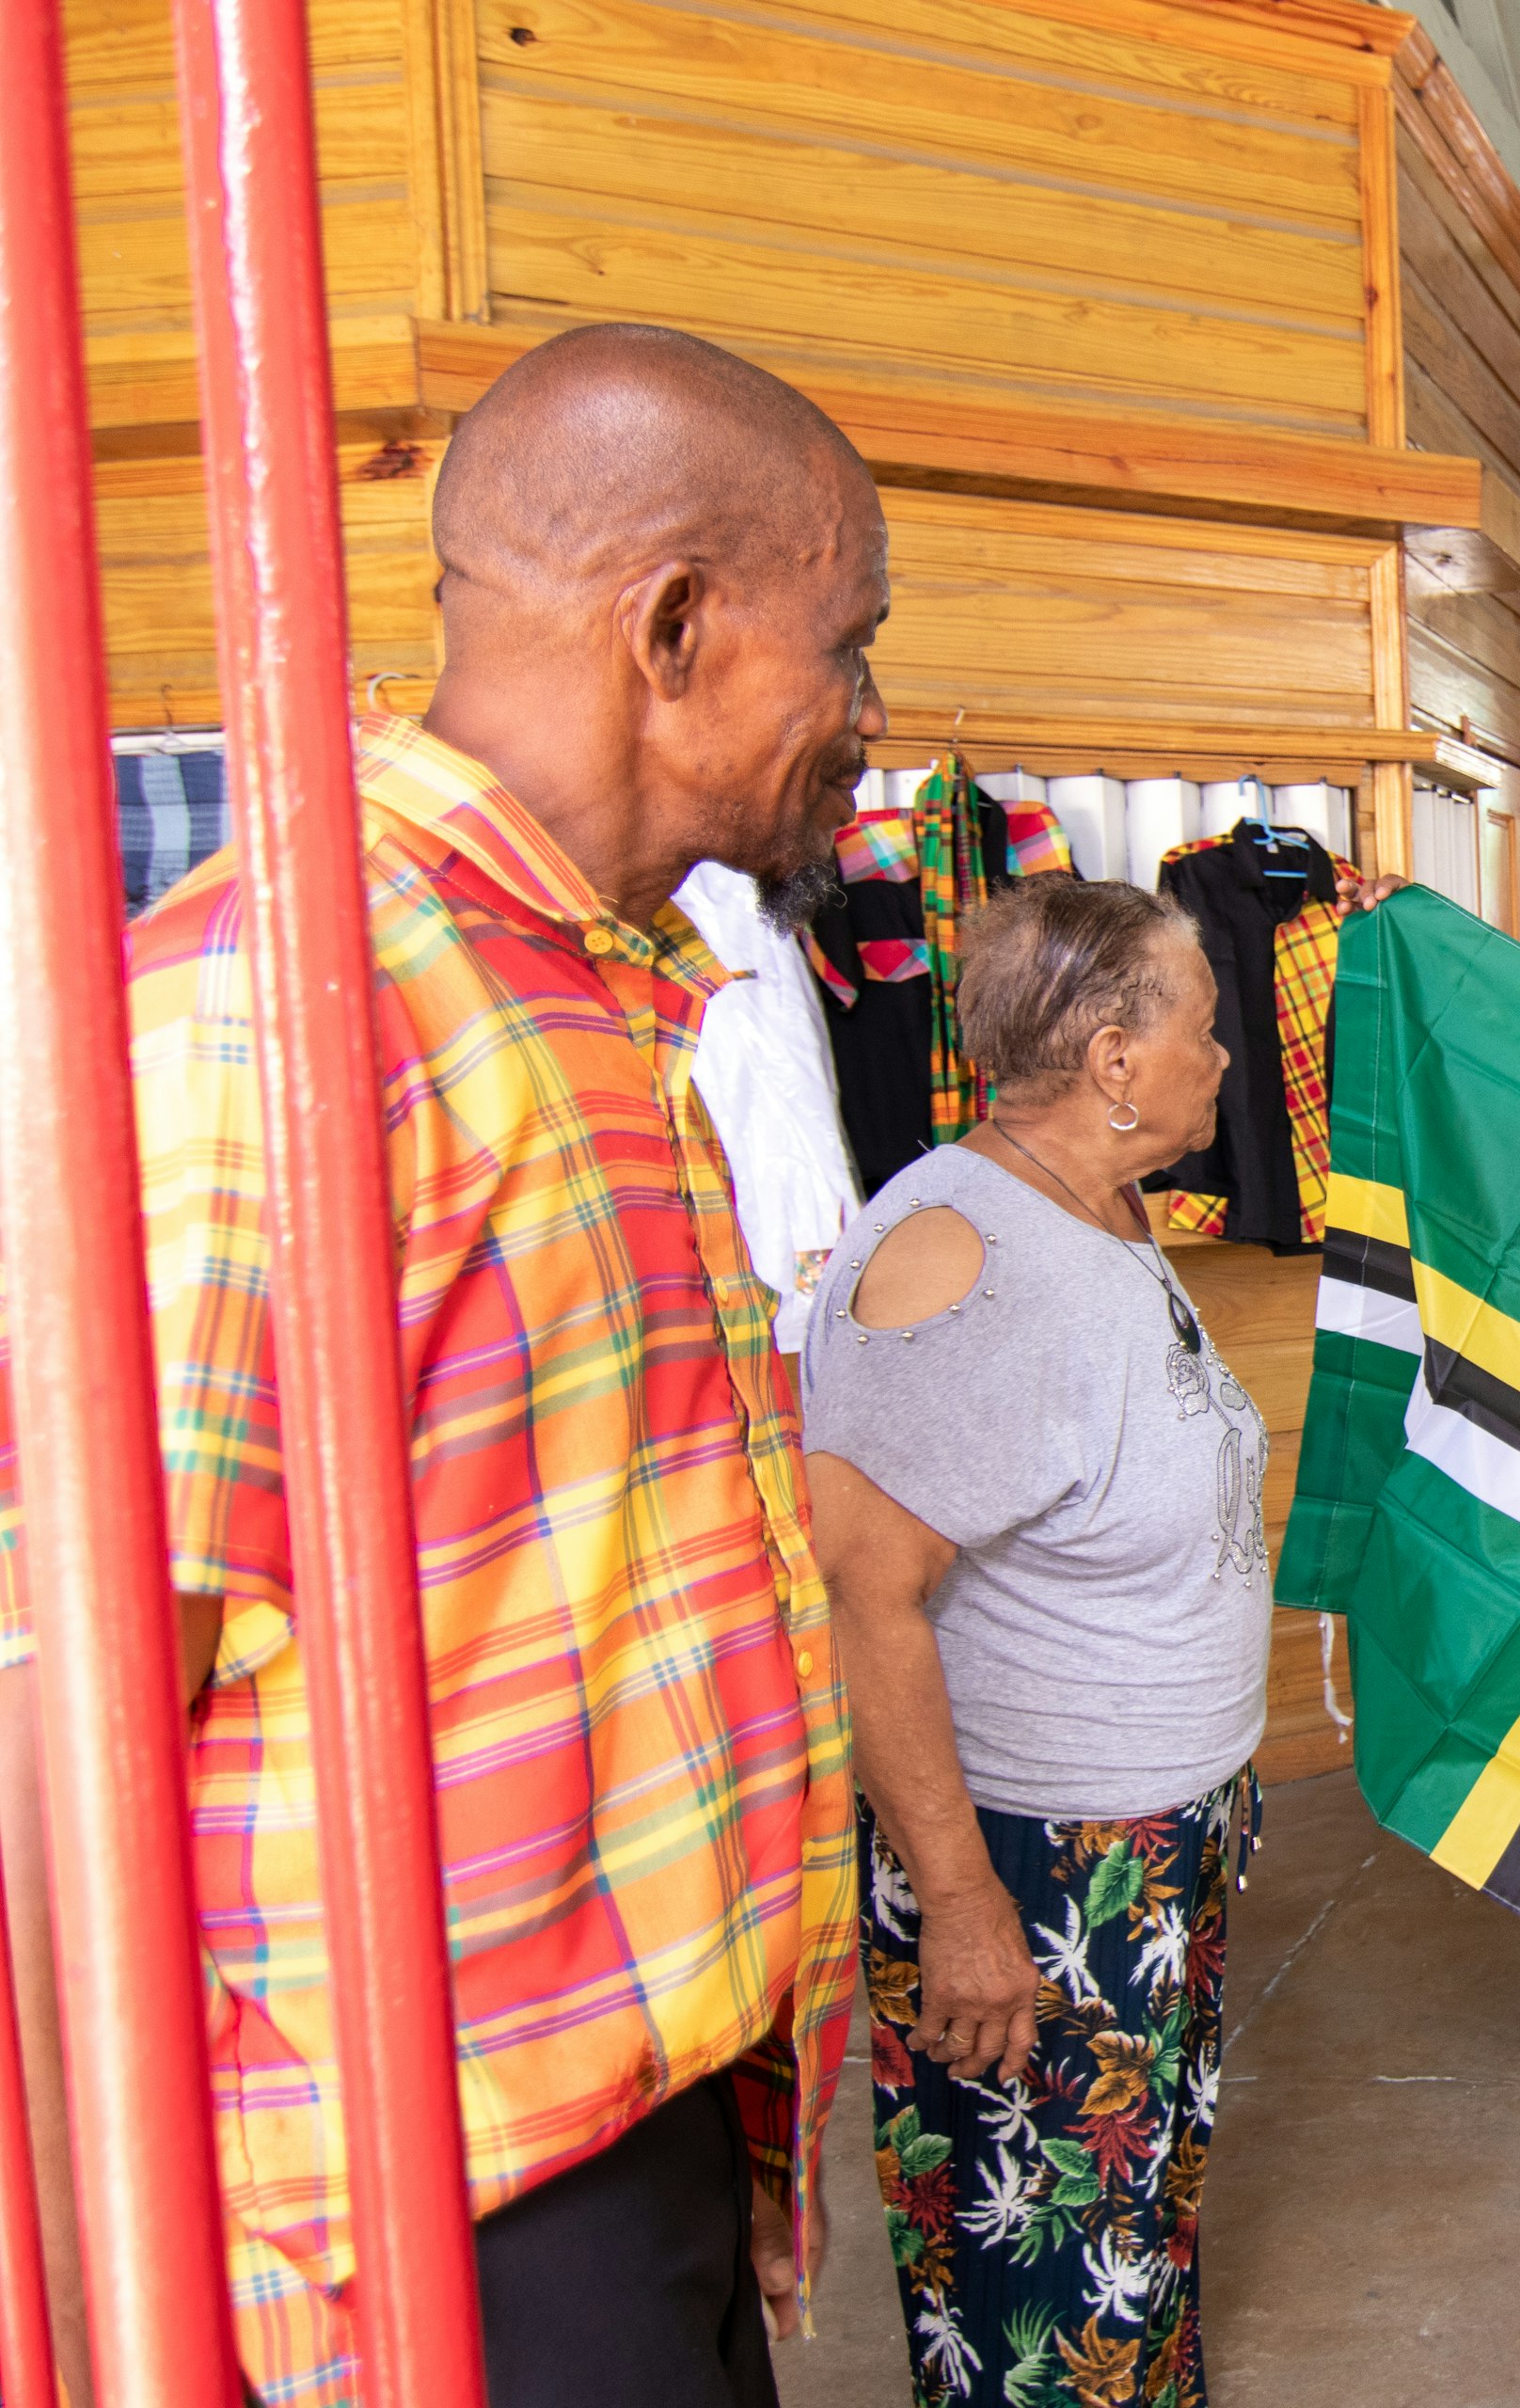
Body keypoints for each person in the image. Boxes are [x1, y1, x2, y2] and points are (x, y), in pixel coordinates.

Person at [0, 323, 885, 2404]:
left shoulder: (603, 982)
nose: (864, 713)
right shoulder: (272, 1012)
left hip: (637, 2116)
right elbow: (63, 1723)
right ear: (674, 625)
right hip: (428, 2205)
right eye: (844, 646)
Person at [806, 871, 1389, 2407]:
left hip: (1153, 1832)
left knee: (1129, 2235)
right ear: (1116, 1060)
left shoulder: (1102, 1204)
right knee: (1037, 2282)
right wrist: (962, 1903)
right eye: (1207, 1025)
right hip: (1033, 1861)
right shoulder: (960, 1260)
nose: (1229, 1058)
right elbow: (865, 1595)